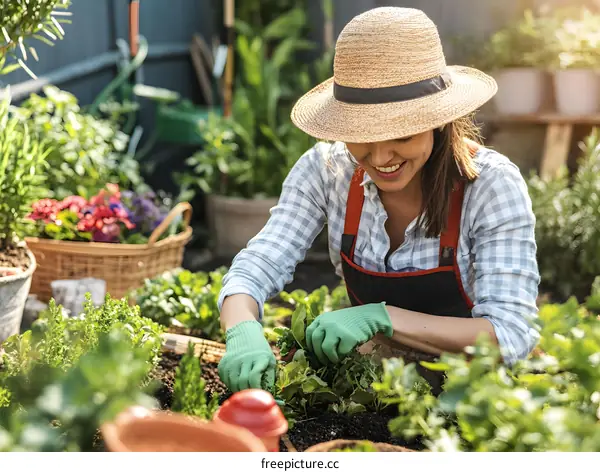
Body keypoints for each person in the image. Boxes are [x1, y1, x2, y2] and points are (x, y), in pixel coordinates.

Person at [216, 7, 541, 394]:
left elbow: (511, 334)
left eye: (401, 135)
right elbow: (258, 265)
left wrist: (382, 317)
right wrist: (242, 329)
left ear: (438, 119)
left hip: (473, 395)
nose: (382, 157)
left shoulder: (489, 186)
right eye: (362, 135)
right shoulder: (326, 172)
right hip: (372, 386)